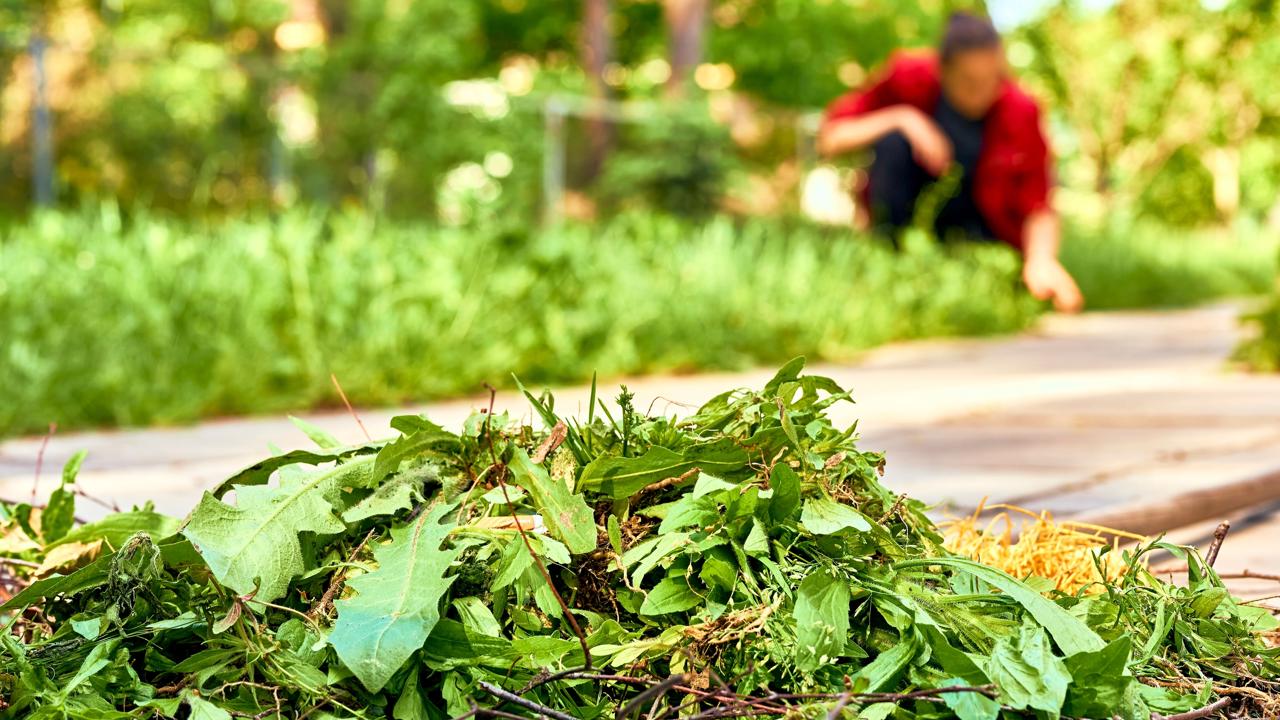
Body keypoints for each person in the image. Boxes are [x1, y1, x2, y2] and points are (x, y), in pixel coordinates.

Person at [818, 12, 1084, 313]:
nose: (983, 92)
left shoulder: (1020, 109)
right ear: (942, 70)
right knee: (894, 143)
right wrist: (903, 118)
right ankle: (891, 265)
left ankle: (983, 283)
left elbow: (1038, 202)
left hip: (984, 228)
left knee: (990, 287)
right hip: (915, 213)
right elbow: (830, 138)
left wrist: (1041, 259)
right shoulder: (908, 78)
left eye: (993, 79)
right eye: (970, 82)